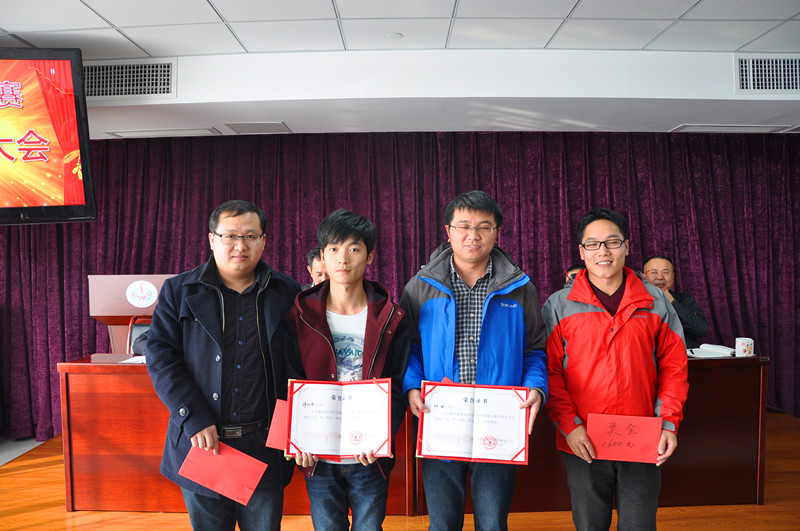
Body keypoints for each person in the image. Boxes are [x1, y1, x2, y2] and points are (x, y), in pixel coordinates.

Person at [146, 200, 300, 531]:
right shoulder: (179, 290)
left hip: (264, 444)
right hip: (204, 442)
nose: (240, 245)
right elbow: (161, 357)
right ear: (212, 239)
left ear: (263, 241)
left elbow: (296, 364)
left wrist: (296, 429)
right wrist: (193, 418)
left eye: (250, 236)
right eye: (230, 236)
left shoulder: (286, 291)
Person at [400, 190, 548, 531]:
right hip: (440, 420)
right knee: (442, 525)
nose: (473, 235)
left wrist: (535, 387)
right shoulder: (420, 287)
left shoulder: (519, 288)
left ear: (496, 233)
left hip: (499, 422)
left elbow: (535, 349)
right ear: (448, 231)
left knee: (493, 524)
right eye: (464, 226)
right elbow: (409, 349)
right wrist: (411, 387)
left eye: (484, 227)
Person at [542, 208, 689, 531]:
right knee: (590, 525)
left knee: (639, 525)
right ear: (581, 251)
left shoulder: (655, 301)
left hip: (643, 436)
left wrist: (668, 423)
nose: (603, 252)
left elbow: (674, 367)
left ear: (626, 246)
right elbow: (550, 372)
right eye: (593, 244)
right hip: (583, 438)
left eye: (612, 242)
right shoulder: (558, 305)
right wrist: (570, 426)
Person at [286, 209, 410, 530]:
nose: (343, 258)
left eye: (354, 249)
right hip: (317, 456)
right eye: (334, 249)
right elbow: (287, 380)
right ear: (322, 256)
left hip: (369, 457)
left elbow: (398, 385)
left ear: (370, 257)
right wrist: (295, 440)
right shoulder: (298, 316)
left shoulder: (391, 317)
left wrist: (381, 437)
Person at [643, 255, 708, 349]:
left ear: (673, 276)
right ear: (644, 277)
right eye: (654, 272)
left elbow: (700, 330)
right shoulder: (633, 300)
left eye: (665, 272)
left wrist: (671, 301)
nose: (660, 277)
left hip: (682, 353)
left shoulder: (685, 300)